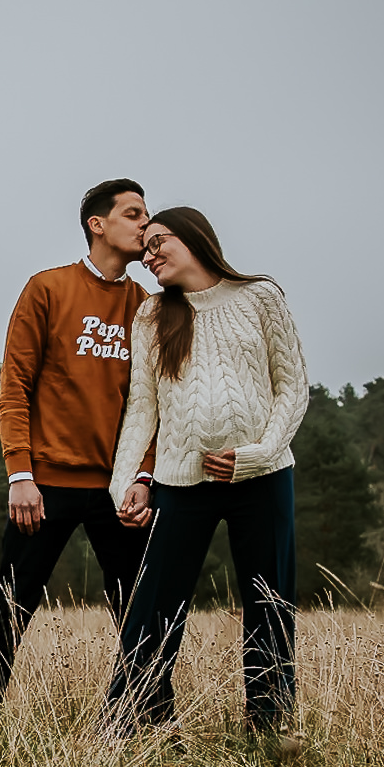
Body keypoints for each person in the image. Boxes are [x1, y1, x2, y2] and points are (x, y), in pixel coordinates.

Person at [0, 179, 162, 735]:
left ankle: (155, 724)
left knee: (138, 609)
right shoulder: (46, 289)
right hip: (43, 484)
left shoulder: (147, 309)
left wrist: (143, 477)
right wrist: (20, 475)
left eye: (146, 215)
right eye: (134, 213)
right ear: (98, 224)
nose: (145, 224)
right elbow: (14, 388)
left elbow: (153, 406)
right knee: (12, 603)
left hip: (117, 491)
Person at [106, 207, 308, 738]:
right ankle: (128, 726)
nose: (148, 256)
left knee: (269, 602)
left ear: (195, 238)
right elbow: (142, 408)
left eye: (158, 243)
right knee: (154, 607)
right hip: (180, 483)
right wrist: (127, 479)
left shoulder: (260, 295)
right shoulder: (151, 316)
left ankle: (271, 729)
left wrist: (260, 453)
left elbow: (292, 388)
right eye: (143, 249)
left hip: (262, 480)